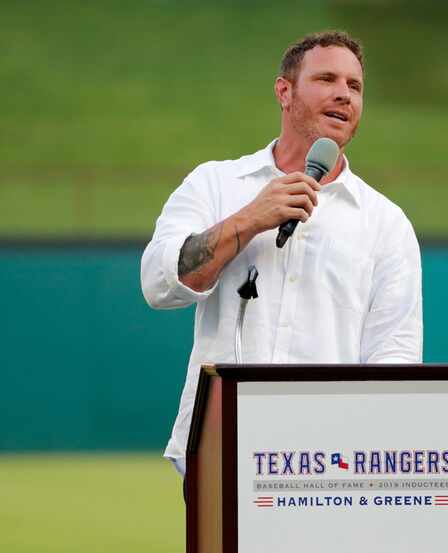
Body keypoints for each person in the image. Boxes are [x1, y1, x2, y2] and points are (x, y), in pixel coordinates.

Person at [140, 31, 423, 478]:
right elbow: (159, 284)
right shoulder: (216, 184)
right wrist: (249, 219)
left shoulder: (386, 223)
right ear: (284, 91)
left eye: (354, 86)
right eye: (326, 79)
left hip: (331, 464)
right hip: (221, 449)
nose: (343, 95)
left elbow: (395, 354)